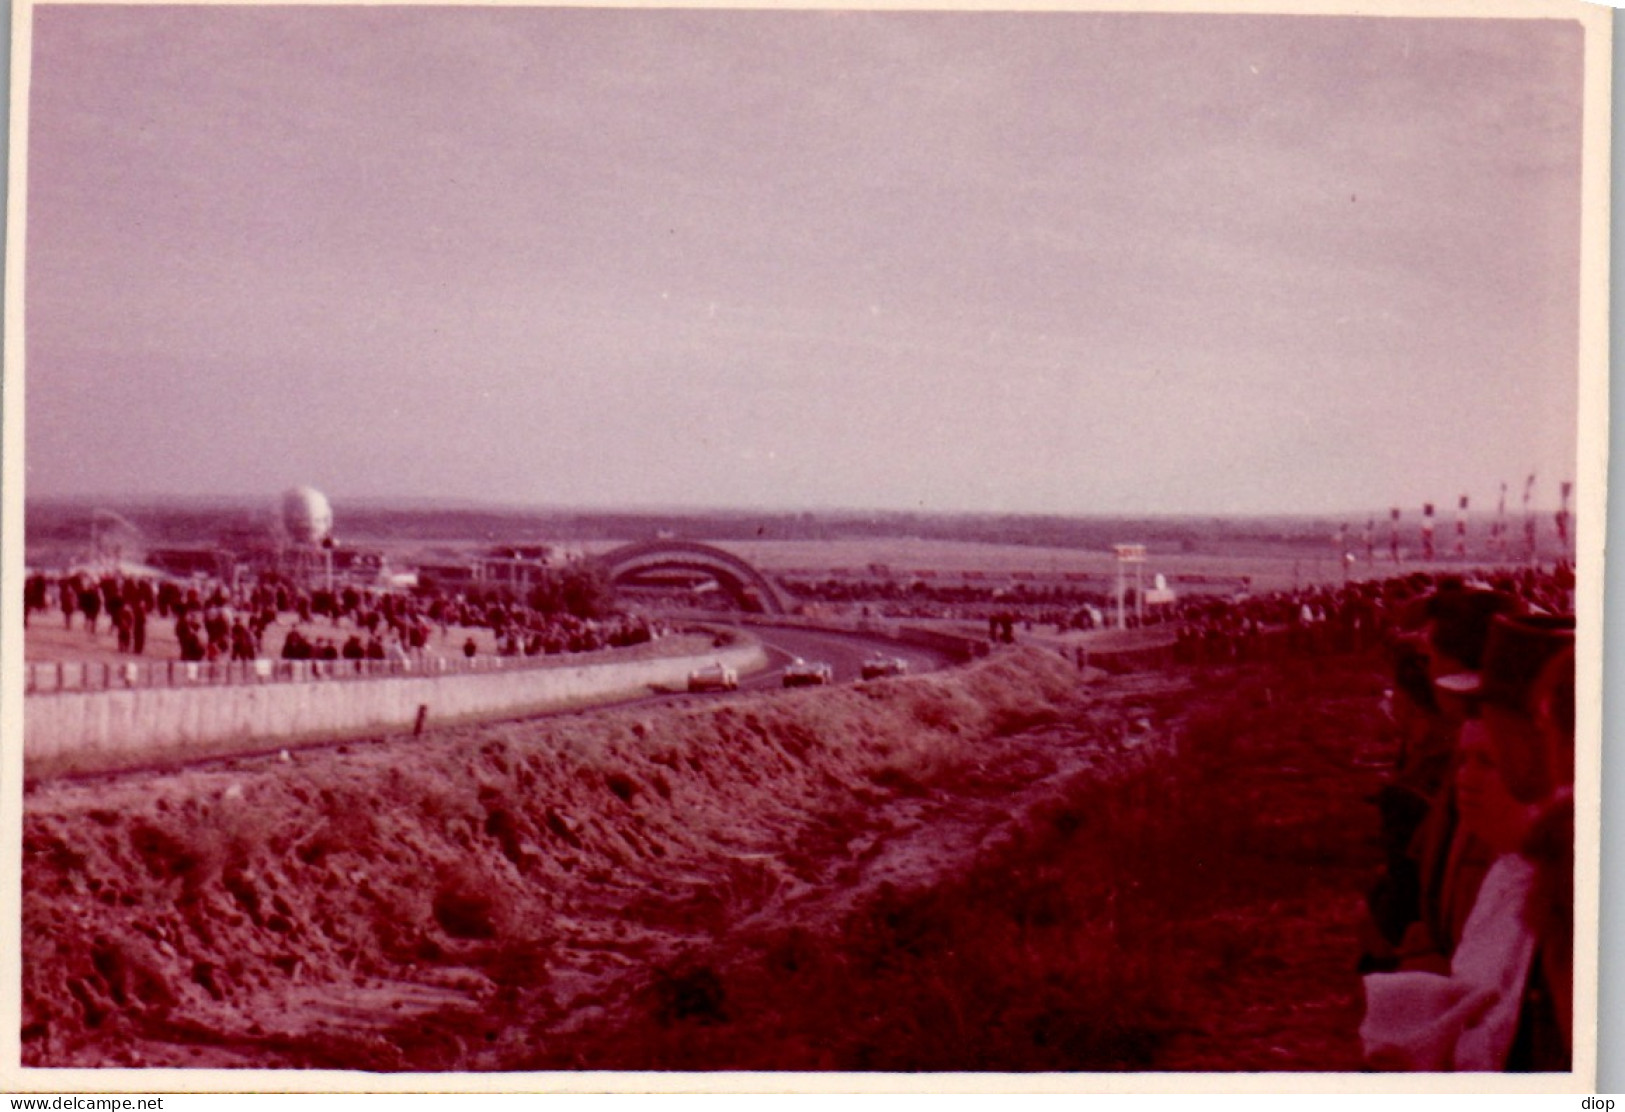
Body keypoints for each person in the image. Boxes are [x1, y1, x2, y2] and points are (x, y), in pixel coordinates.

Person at [1360, 614, 1574, 1071]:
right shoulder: (1511, 870)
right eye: (1464, 761)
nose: (1466, 782)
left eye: (1487, 760)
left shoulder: (1563, 876)